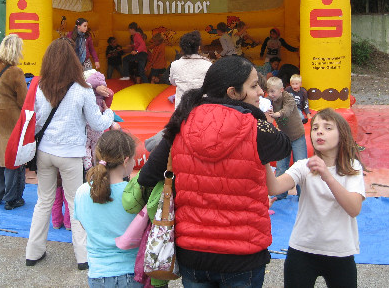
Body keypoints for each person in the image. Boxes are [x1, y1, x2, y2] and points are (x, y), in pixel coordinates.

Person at [138, 56, 291, 287]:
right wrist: (257, 115)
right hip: (242, 254)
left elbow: (147, 175)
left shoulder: (182, 122)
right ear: (233, 92)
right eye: (253, 86)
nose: (261, 91)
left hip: (193, 253)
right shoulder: (255, 128)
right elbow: (284, 146)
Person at [25, 38, 117, 269]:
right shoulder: (83, 90)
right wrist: (110, 114)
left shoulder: (40, 87)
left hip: (44, 152)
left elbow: (35, 123)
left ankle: (33, 252)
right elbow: (97, 123)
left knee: (43, 201)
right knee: (76, 203)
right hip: (71, 154)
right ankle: (82, 257)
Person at [266, 108, 365, 288]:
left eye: (328, 128)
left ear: (342, 135)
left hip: (340, 251)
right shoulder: (304, 166)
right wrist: (264, 155)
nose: (319, 131)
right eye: (315, 128)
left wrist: (327, 175)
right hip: (302, 249)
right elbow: (274, 187)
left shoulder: (352, 167)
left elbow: (354, 208)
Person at [74, 129, 142, 287]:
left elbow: (84, 226)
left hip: (98, 274)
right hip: (131, 272)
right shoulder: (134, 194)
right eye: (133, 158)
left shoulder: (82, 192)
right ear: (126, 161)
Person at [0, 34, 28, 210]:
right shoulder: (15, 72)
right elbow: (24, 102)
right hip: (12, 120)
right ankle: (12, 198)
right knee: (13, 160)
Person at [266, 76, 307, 200]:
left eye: (273, 91)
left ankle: (303, 194)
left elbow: (287, 110)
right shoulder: (269, 100)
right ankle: (280, 194)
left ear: (281, 90)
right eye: (268, 91)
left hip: (297, 135)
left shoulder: (288, 97)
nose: (270, 94)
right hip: (283, 137)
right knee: (281, 165)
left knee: (300, 164)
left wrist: (276, 114)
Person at [168, 30, 212, 109]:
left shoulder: (175, 65)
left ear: (182, 48)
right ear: (198, 48)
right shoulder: (208, 64)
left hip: (181, 108)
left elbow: (173, 82)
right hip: (201, 106)